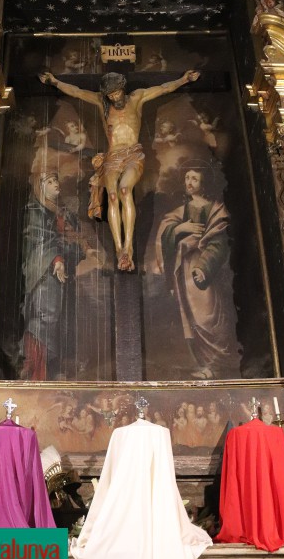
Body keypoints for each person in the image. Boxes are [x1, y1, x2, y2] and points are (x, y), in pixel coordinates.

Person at [40, 69, 200, 271]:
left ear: (123, 89)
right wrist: (55, 82)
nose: (115, 97)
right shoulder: (101, 102)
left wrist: (183, 79)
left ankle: (129, 247)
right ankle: (119, 250)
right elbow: (77, 92)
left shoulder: (137, 98)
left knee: (125, 190)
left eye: (117, 93)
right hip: (113, 157)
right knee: (112, 196)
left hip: (133, 154)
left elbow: (163, 89)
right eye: (111, 95)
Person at [156, 164, 241, 379]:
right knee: (191, 316)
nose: (189, 182)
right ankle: (205, 365)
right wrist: (179, 230)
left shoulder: (216, 210)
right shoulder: (178, 214)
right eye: (187, 178)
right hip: (183, 270)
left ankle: (219, 364)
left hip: (205, 272)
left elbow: (219, 243)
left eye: (194, 178)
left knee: (208, 316)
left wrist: (204, 267)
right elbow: (165, 238)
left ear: (204, 183)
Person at [20, 170, 96, 381]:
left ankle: (51, 367)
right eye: (50, 181)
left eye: (56, 180)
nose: (56, 184)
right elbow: (37, 237)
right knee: (46, 314)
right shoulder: (35, 209)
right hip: (44, 271)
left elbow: (75, 235)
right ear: (39, 187)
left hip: (61, 272)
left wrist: (85, 248)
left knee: (59, 317)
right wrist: (56, 259)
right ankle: (34, 367)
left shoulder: (62, 212)